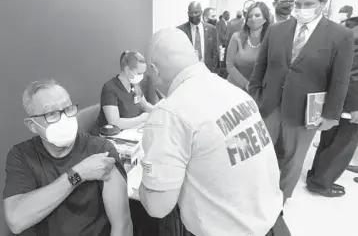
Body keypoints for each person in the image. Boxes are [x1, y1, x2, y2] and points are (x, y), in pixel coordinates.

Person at [139, 28, 289, 236]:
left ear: (154, 70)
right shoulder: (237, 94)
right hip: (273, 223)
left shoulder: (171, 112)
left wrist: (144, 187)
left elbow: (158, 206)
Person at [248, 0, 354, 202]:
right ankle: (256, 197)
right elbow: (261, 66)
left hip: (306, 110)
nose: (302, 9)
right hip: (270, 104)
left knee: (293, 160)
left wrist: (331, 115)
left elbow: (340, 80)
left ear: (324, 3)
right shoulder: (277, 30)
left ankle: (279, 202)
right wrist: (254, 96)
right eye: (298, 4)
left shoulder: (340, 36)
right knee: (259, 155)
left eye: (309, 4)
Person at [3, 80, 132, 235]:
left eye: (68, 109)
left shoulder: (100, 150)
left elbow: (122, 226)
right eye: (51, 113)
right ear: (32, 125)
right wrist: (78, 174)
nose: (64, 118)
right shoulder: (22, 156)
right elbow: (16, 220)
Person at [306, 16, 358, 197]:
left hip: (339, 103)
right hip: (350, 106)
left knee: (329, 143)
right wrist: (354, 107)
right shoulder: (354, 40)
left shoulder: (348, 38)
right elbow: (353, 76)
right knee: (341, 146)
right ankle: (321, 183)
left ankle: (315, 177)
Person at [98, 51, 153, 130]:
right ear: (127, 69)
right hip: (114, 135)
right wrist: (141, 119)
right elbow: (114, 122)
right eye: (139, 73)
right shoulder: (109, 88)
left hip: (133, 129)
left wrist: (158, 110)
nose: (142, 76)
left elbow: (144, 105)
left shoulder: (134, 84)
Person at [226, 2, 271, 90]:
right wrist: (246, 84)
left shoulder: (270, 40)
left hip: (258, 90)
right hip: (234, 87)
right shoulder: (237, 37)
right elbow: (229, 65)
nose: (253, 19)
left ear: (265, 18)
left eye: (257, 15)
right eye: (250, 16)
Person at [177, 1, 219, 73]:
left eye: (196, 12)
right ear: (188, 13)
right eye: (191, 13)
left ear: (201, 12)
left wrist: (213, 71)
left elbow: (215, 53)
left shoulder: (211, 29)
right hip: (188, 72)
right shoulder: (180, 30)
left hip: (207, 72)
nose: (193, 15)